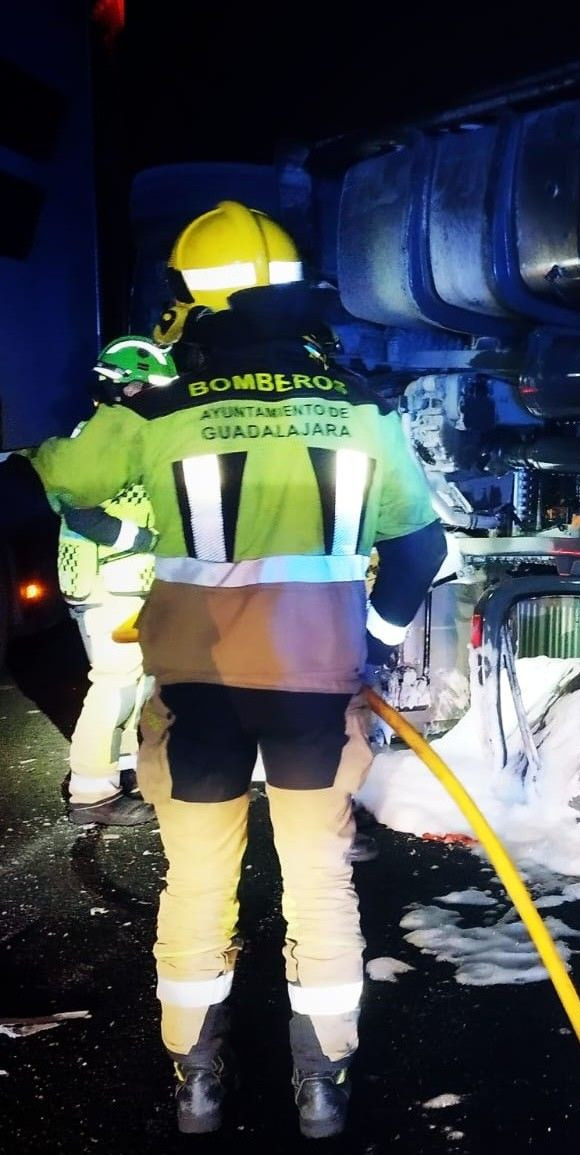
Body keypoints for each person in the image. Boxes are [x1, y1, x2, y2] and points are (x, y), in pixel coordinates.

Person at [27, 200, 445, 1139]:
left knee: (197, 883)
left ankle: (198, 1086)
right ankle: (323, 1089)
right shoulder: (363, 410)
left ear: (189, 304)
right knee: (321, 881)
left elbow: (66, 478)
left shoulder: (159, 410)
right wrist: (368, 638)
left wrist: (66, 422)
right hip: (313, 694)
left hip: (199, 698)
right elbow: (419, 551)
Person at [58, 337, 177, 827]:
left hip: (129, 581)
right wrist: (149, 537)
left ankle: (125, 774)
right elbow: (82, 513)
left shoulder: (128, 434)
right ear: (124, 388)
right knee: (114, 684)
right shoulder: (95, 439)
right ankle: (90, 794)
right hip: (105, 582)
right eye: (151, 389)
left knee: (138, 683)